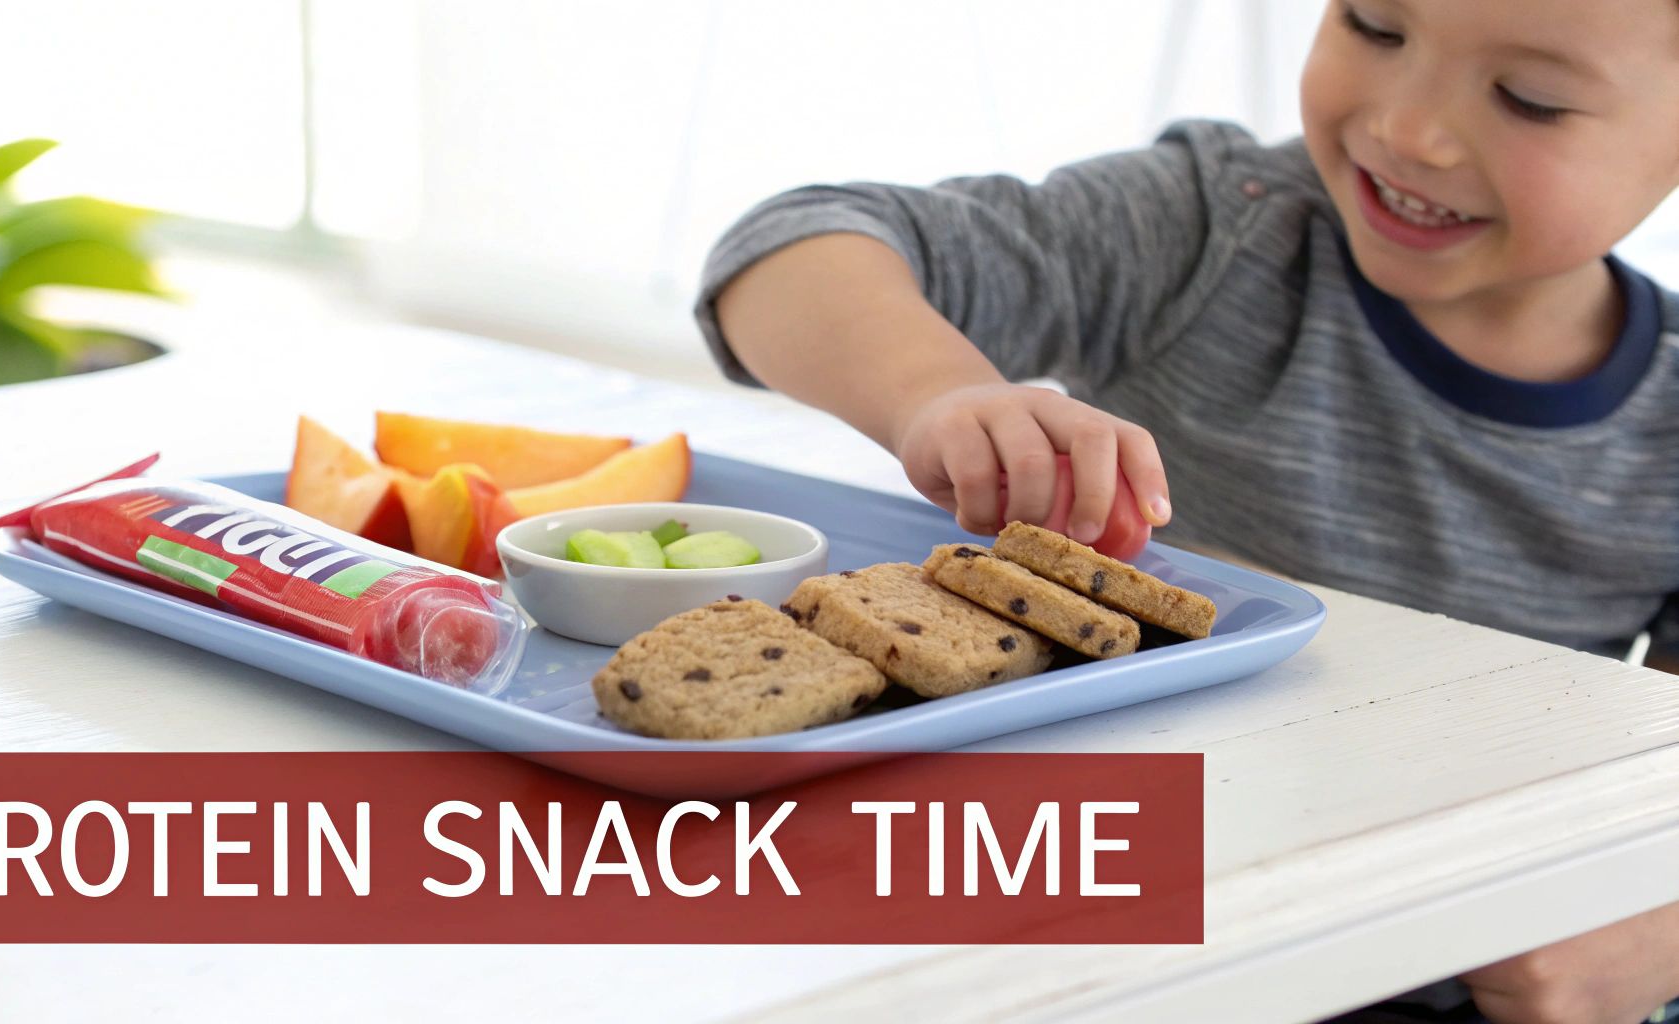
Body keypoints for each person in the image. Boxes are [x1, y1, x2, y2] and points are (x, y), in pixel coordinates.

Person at [693, 0, 1679, 1020]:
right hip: (1084, 938)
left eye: (1530, 100)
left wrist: (1660, 929)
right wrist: (936, 394)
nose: (1405, 130)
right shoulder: (1217, 225)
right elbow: (785, 248)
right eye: (1373, 26)